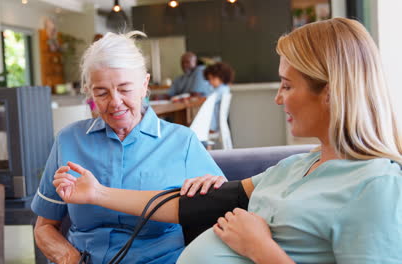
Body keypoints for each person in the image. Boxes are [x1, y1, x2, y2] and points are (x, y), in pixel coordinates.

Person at [53, 18, 402, 263]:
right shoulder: (299, 167)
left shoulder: (375, 186)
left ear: (330, 92)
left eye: (287, 85)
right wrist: (97, 193)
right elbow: (192, 205)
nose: (278, 99)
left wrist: (261, 249)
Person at [31, 31, 224, 264]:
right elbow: (44, 226)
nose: (115, 102)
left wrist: (215, 191)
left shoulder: (181, 142)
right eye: (101, 92)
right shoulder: (69, 140)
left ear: (144, 85)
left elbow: (225, 209)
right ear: (90, 93)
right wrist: (69, 257)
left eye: (124, 89)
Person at [203, 62, 235, 132]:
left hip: (213, 125)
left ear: (222, 77)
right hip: (215, 123)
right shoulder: (223, 88)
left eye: (213, 79)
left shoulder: (221, 90)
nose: (210, 82)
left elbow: (207, 100)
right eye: (209, 79)